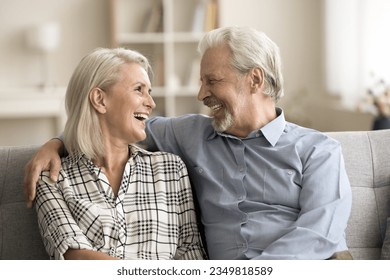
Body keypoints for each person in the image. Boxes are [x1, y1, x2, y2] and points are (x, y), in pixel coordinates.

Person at [24, 26, 352, 260]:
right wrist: (55, 143)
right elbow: (111, 126)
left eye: (212, 81)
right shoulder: (189, 134)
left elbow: (319, 234)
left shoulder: (317, 151)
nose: (201, 94)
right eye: (201, 81)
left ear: (254, 79)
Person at [33, 47, 206, 260]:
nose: (151, 103)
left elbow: (191, 254)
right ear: (100, 100)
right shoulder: (53, 177)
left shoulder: (170, 169)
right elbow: (74, 258)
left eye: (149, 92)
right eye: (139, 89)